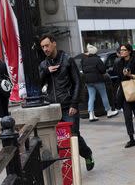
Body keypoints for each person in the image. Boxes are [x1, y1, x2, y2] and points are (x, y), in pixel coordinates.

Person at [39, 34, 95, 170]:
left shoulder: (67, 60)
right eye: (42, 47)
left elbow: (77, 82)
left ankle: (85, 157)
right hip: (53, 108)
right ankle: (68, 166)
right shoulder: (43, 64)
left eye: (47, 45)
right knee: (59, 139)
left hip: (69, 106)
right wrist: (46, 72)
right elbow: (38, 83)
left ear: (54, 43)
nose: (45, 49)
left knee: (73, 136)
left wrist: (74, 104)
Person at [81, 43, 117, 121]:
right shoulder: (97, 59)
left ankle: (91, 114)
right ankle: (108, 111)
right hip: (98, 80)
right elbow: (103, 70)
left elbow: (83, 70)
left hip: (88, 81)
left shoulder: (84, 60)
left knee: (91, 97)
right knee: (104, 95)